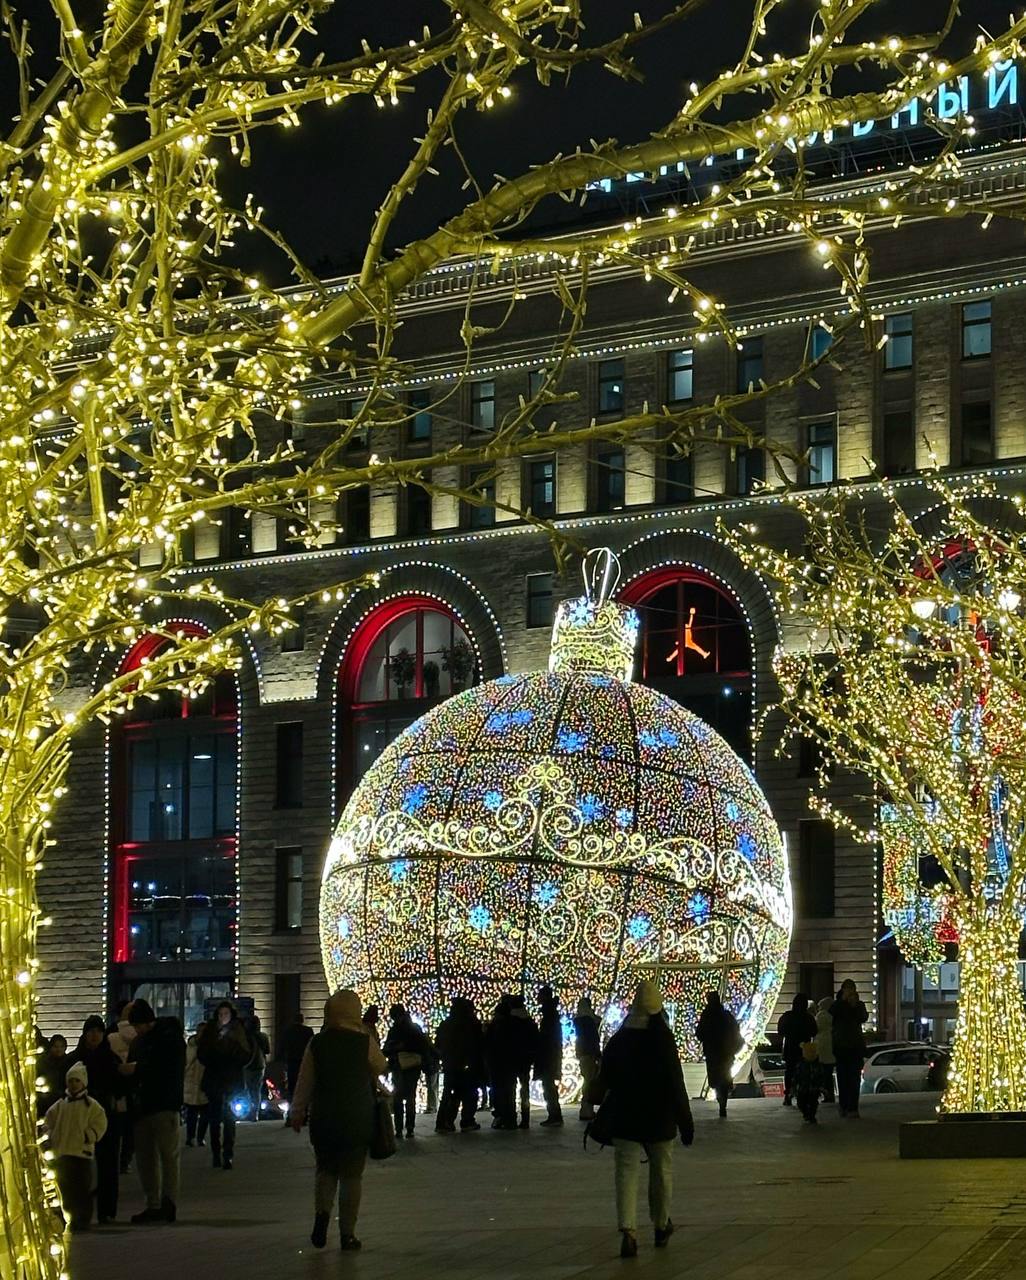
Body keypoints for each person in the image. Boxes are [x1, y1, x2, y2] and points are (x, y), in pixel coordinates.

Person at [594, 981, 693, 1259]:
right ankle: (661, 1225)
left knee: (626, 1172)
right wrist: (685, 1122)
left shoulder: (620, 1038)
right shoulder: (663, 1038)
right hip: (659, 1117)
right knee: (661, 1171)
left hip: (625, 1115)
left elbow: (605, 1077)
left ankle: (628, 1230)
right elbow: (676, 1082)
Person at [290, 990, 387, 1253]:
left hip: (324, 1117)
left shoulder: (317, 1043)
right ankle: (348, 1234)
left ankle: (322, 1215)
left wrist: (297, 1111)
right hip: (357, 1116)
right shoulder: (363, 1040)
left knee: (326, 1170)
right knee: (352, 1176)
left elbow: (305, 1081)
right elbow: (381, 1066)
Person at [120, 999, 185, 1224]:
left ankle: (167, 1203)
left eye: (138, 1025)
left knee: (167, 1156)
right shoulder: (141, 1041)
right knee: (147, 1159)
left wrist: (136, 1069)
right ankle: (154, 1204)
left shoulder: (169, 1038)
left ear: (148, 1021)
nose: (136, 1030)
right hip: (143, 1106)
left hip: (164, 1104)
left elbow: (167, 1068)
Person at [66, 1016, 122, 1224]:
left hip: (105, 1117)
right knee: (77, 1167)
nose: (94, 1035)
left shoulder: (110, 1059)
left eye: (98, 1031)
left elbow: (119, 1085)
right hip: (78, 1118)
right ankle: (78, 1212)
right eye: (91, 1031)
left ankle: (107, 1211)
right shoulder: (75, 1059)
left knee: (108, 1166)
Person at [44, 1061, 108, 1233]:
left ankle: (82, 1219)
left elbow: (100, 1123)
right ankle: (69, 1217)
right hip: (63, 1152)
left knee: (82, 1188)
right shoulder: (60, 1105)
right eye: (71, 1081)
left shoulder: (90, 1105)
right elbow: (48, 1121)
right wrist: (50, 1135)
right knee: (65, 1188)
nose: (73, 1084)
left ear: (83, 1083)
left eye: (76, 1081)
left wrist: (90, 1135)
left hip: (81, 1153)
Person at [197, 1000, 251, 1169]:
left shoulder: (238, 1031)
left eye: (226, 1014)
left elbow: (246, 1054)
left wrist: (233, 1050)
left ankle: (228, 1153)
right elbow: (202, 1054)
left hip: (231, 1080)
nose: (223, 1017)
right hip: (215, 1079)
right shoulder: (210, 1032)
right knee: (214, 1118)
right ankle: (215, 1153)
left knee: (229, 1118)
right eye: (220, 1014)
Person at [382, 1004, 433, 1139]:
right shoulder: (414, 1028)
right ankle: (409, 1128)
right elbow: (423, 1046)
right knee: (410, 1097)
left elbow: (387, 1048)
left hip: (399, 1066)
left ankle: (400, 1129)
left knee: (399, 1097)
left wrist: (397, 1048)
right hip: (412, 1066)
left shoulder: (395, 1030)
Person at [434, 997, 484, 1133]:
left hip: (450, 1065)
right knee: (469, 1094)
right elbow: (478, 1044)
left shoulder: (445, 1024)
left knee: (450, 1094)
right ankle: (467, 1121)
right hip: (468, 1066)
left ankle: (444, 1122)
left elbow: (437, 1045)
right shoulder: (471, 1024)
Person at [696, 990, 742, 1118]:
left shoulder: (707, 1015)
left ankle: (721, 1100)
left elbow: (700, 1033)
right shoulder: (726, 1016)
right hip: (726, 1052)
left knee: (716, 1078)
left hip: (713, 1053)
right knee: (725, 1076)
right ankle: (723, 1102)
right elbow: (735, 1030)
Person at [831, 979, 869, 1118]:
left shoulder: (859, 1005)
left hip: (854, 1047)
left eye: (852, 989)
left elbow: (863, 1017)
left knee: (854, 1079)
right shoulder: (838, 1004)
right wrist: (843, 1001)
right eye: (848, 989)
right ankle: (844, 1105)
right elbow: (833, 1013)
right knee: (843, 1078)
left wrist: (854, 1005)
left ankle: (853, 1107)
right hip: (841, 1047)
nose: (851, 991)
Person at [107, 1000, 136, 1174]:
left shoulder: (111, 1035)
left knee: (117, 1127)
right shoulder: (141, 1036)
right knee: (129, 1128)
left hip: (116, 1088)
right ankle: (125, 1159)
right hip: (132, 1088)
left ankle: (117, 1158)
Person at [777, 993, 817, 1107]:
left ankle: (788, 1094)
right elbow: (814, 1031)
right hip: (804, 1048)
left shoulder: (787, 1016)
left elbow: (780, 1031)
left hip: (790, 1048)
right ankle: (803, 1093)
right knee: (805, 1072)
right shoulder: (808, 1018)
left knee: (789, 1071)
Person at [534, 985, 564, 1126]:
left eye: (539, 995)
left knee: (549, 1086)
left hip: (548, 1057)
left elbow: (547, 1038)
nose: (537, 998)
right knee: (549, 1086)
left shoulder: (549, 1014)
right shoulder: (551, 1013)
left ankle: (555, 1116)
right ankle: (554, 1115)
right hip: (550, 1056)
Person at [508, 994, 539, 1129]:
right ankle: (525, 1117)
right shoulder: (530, 1022)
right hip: (526, 1059)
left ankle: (511, 1117)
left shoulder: (509, 1022)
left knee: (511, 1088)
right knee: (524, 1088)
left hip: (512, 1059)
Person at [278, 1012, 314, 1120]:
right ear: (302, 1020)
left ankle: (291, 1115)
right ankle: (304, 1114)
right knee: (305, 1087)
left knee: (292, 1089)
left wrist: (282, 1061)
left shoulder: (288, 1031)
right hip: (303, 1063)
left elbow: (282, 1047)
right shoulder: (308, 1031)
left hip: (291, 1062)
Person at [574, 996, 602, 1122]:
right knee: (590, 1081)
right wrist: (598, 1054)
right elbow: (593, 1039)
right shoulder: (588, 1021)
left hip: (582, 1053)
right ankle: (586, 1109)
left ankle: (585, 1108)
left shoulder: (579, 1020)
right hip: (589, 1054)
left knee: (587, 1080)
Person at [184, 1023, 208, 1147]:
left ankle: (200, 1137)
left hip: (204, 1083)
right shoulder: (191, 1046)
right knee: (192, 1113)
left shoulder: (209, 1046)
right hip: (192, 1082)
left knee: (204, 1114)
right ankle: (191, 1137)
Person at [37, 1034, 69, 1117]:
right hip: (46, 1102)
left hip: (64, 1102)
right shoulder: (43, 1063)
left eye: (61, 1046)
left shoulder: (69, 1062)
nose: (59, 1049)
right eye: (56, 1046)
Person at [795, 1040, 822, 1124]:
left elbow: (821, 1077)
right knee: (802, 1103)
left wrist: (821, 1086)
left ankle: (810, 1115)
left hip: (812, 1089)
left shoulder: (817, 1065)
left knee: (812, 1103)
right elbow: (796, 1077)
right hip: (804, 1088)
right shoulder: (801, 1065)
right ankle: (808, 1114)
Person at [815, 997, 836, 1104]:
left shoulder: (820, 1016)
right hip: (831, 1048)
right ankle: (830, 1095)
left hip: (822, 1048)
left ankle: (826, 1095)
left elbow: (815, 1028)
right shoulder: (833, 1017)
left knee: (823, 1074)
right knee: (828, 1074)